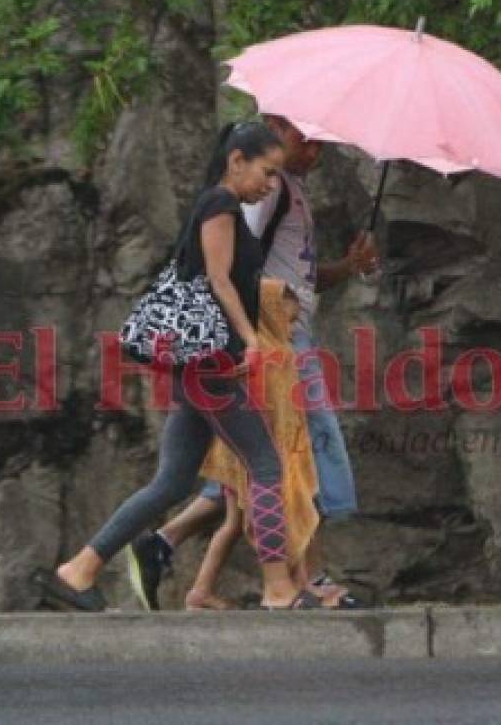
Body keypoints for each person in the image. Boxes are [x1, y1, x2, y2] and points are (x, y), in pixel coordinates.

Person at [33, 120, 324, 611]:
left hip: (199, 365)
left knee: (171, 481)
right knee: (267, 467)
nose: (271, 184)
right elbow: (217, 280)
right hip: (210, 363)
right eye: (267, 172)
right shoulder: (220, 204)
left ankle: (78, 571)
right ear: (237, 161)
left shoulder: (222, 207)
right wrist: (250, 341)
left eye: (276, 177)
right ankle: (279, 588)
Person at [125, 114, 378, 611]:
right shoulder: (262, 193)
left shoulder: (289, 191)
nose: (314, 151)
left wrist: (347, 268)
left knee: (249, 468)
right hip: (274, 339)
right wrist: (253, 338)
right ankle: (301, 580)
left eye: (322, 142)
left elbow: (293, 279)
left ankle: (163, 546)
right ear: (277, 130)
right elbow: (239, 272)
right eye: (305, 138)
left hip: (286, 332)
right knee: (299, 453)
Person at [183, 279, 321, 609]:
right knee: (287, 512)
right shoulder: (273, 358)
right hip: (261, 459)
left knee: (231, 525)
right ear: (269, 312)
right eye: (287, 311)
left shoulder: (253, 353)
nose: (293, 319)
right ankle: (287, 586)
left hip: (235, 454)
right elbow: (278, 414)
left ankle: (200, 592)